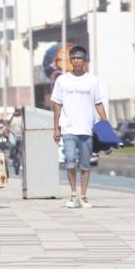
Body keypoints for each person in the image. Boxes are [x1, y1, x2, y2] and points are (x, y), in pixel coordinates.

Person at [51, 46, 108, 209]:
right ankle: (73, 194)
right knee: (69, 161)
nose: (76, 61)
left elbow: (99, 103)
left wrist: (106, 127)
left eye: (79, 58)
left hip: (86, 129)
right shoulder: (62, 80)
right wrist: (56, 128)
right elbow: (57, 105)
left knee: (85, 164)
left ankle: (83, 196)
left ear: (84, 61)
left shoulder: (93, 80)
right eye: (73, 58)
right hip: (68, 128)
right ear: (70, 61)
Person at [8, 109, 24, 175]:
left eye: (18, 111)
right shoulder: (12, 117)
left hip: (20, 135)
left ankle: (21, 162)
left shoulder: (22, 118)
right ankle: (11, 157)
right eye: (16, 111)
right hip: (12, 134)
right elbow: (7, 124)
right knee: (12, 146)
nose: (16, 112)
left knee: (21, 149)